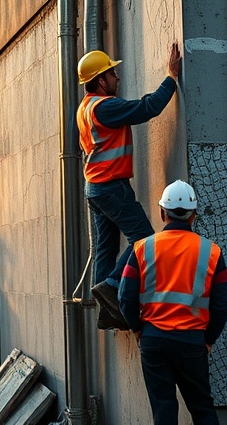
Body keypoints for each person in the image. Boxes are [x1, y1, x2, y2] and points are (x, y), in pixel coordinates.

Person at [77, 44, 182, 330]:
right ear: (101, 80)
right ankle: (111, 286)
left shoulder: (84, 108)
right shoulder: (105, 106)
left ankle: (107, 309)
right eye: (113, 73)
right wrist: (171, 78)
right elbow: (147, 107)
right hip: (111, 186)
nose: (117, 78)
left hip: (95, 187)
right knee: (145, 239)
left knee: (105, 249)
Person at [118, 180, 227, 425]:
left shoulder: (141, 248)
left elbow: (125, 297)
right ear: (194, 214)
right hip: (192, 342)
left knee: (164, 410)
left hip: (153, 340)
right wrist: (209, 338)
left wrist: (138, 328)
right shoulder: (211, 252)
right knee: (202, 409)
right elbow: (222, 304)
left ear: (162, 212)